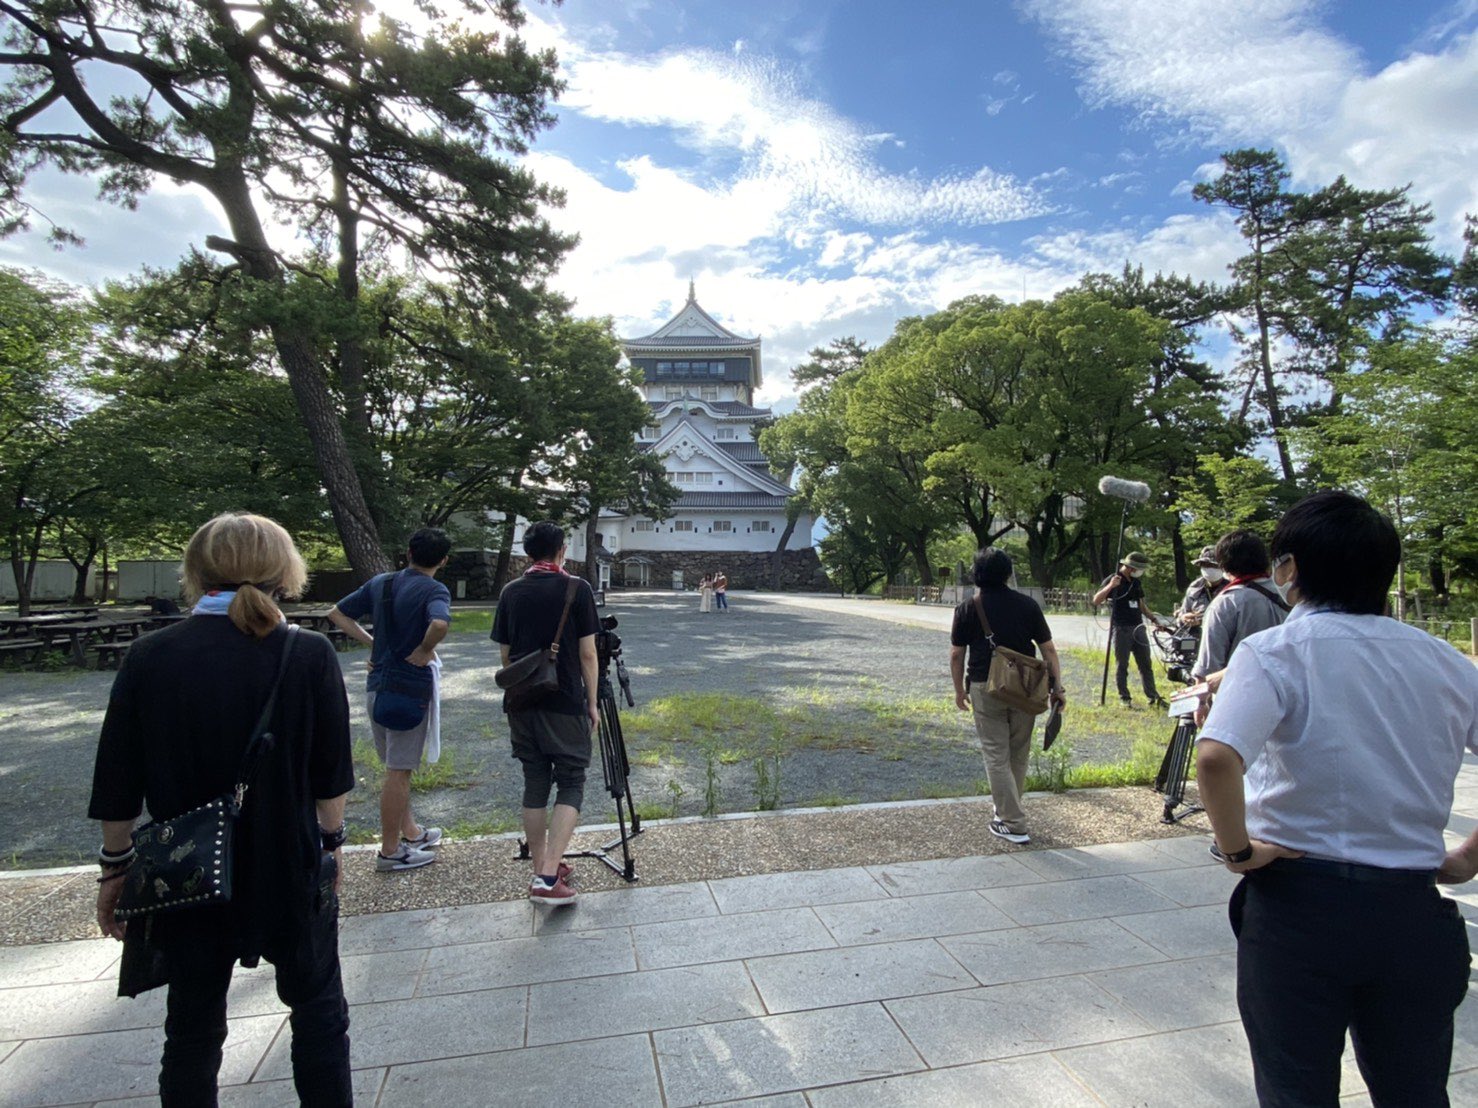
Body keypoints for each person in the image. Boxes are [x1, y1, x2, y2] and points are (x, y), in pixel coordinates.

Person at [1195, 491, 1478, 1106]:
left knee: (1296, 1090)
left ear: (1290, 568)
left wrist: (1238, 852)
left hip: (1299, 907)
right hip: (1410, 909)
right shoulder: (1448, 662)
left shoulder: (1273, 651)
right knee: (1415, 1090)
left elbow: (1216, 757)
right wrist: (1468, 858)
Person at [89, 513, 354, 1106]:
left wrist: (116, 867)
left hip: (189, 870)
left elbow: (118, 779)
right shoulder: (307, 653)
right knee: (319, 1013)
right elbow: (331, 774)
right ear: (286, 569)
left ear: (197, 569)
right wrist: (332, 845)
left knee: (192, 1027)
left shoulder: (151, 654)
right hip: (287, 859)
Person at [328, 527, 451, 872]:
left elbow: (336, 613)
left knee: (396, 766)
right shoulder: (434, 589)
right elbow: (440, 624)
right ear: (443, 560)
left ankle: (411, 832)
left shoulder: (381, 583)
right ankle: (390, 851)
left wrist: (374, 643)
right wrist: (424, 650)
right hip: (407, 691)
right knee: (399, 771)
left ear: (408, 553)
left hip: (377, 685)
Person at [491, 521, 600, 906]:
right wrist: (591, 702)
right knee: (571, 780)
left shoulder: (510, 592)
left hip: (522, 703)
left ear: (527, 552)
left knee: (534, 780)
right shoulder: (576, 588)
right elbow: (588, 653)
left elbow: (506, 657)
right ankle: (549, 876)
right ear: (561, 551)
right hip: (564, 699)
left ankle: (541, 867)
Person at [949, 548, 1066, 845]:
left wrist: (959, 690)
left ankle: (1013, 823)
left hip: (984, 686)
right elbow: (1048, 650)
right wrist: (1058, 688)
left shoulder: (967, 608)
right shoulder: (1028, 605)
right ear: (1008, 574)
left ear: (976, 574)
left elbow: (956, 655)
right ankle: (1007, 809)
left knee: (995, 754)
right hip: (1026, 687)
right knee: (1018, 752)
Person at [1191, 530, 1286, 682]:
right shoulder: (1287, 594)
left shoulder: (1226, 603)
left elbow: (1207, 670)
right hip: (1287, 689)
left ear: (1224, 565)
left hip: (1242, 690)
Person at [1091, 551, 1166, 707]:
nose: (1140, 572)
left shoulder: (1136, 582)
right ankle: (1124, 698)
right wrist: (1111, 586)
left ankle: (1153, 696)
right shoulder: (1113, 579)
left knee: (1146, 664)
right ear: (1131, 568)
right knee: (1122, 665)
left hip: (1138, 627)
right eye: (1140, 569)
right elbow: (1096, 600)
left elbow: (1141, 604)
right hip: (1121, 628)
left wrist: (1154, 619)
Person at [1176, 546, 1225, 633]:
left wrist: (1201, 620)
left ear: (1223, 567)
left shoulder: (1234, 589)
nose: (1210, 568)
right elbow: (1182, 616)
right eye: (1206, 565)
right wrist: (1183, 618)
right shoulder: (1194, 588)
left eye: (1214, 565)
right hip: (1198, 637)